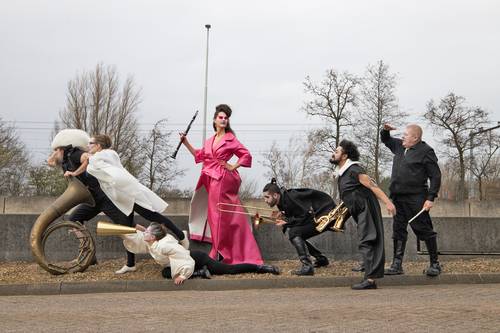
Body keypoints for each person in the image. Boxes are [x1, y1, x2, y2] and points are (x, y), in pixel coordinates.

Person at [83, 134, 189, 274]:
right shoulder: (100, 158)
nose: (88, 146)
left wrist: (89, 158)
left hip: (130, 194)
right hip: (122, 198)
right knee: (126, 229)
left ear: (98, 145)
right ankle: (130, 263)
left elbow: (100, 165)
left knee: (153, 216)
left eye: (91, 143)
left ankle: (181, 235)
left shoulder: (108, 154)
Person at [180, 104, 263, 265]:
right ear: (215, 120)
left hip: (222, 178)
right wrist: (185, 142)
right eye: (221, 117)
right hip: (210, 177)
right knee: (216, 215)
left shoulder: (231, 139)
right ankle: (221, 250)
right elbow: (199, 155)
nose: (224, 120)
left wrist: (233, 166)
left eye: (226, 118)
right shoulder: (210, 140)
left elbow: (246, 155)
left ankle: (220, 253)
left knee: (217, 214)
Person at [122, 222, 279, 285]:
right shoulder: (153, 241)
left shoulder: (164, 245)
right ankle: (201, 272)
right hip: (181, 260)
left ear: (154, 237)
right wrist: (140, 230)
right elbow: (139, 240)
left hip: (194, 258)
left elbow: (186, 260)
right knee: (166, 272)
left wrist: (185, 275)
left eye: (147, 232)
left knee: (228, 270)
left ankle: (261, 268)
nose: (144, 234)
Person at [330, 139, 396, 290]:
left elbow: (373, 186)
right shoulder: (343, 173)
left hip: (366, 208)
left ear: (345, 156)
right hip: (359, 210)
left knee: (367, 241)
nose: (333, 154)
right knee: (366, 241)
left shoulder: (354, 170)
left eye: (337, 151)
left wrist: (388, 203)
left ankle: (370, 280)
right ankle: (370, 277)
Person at [381, 123, 442, 277]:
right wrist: (385, 130)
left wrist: (431, 198)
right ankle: (397, 265)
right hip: (397, 198)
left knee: (424, 230)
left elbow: (435, 176)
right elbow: (386, 140)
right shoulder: (399, 146)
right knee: (398, 230)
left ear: (415, 138)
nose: (403, 137)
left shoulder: (426, 151)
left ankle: (435, 264)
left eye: (406, 135)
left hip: (416, 198)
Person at [262, 179, 336, 276]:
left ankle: (307, 267)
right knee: (295, 233)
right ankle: (321, 259)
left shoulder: (290, 198)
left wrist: (287, 221)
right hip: (318, 216)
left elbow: (305, 215)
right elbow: (297, 215)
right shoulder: (282, 200)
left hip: (326, 215)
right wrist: (285, 218)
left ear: (275, 195)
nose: (265, 201)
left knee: (294, 233)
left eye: (267, 197)